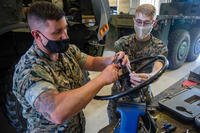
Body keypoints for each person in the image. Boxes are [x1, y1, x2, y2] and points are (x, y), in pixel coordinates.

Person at [12, 1, 129, 132]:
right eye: (57, 32)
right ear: (37, 35)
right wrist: (101, 80)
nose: (65, 36)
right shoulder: (29, 70)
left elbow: (91, 62)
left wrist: (113, 59)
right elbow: (56, 112)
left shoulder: (66, 51)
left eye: (65, 28)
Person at [107, 4, 168, 123]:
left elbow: (158, 67)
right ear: (134, 21)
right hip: (119, 96)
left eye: (146, 23)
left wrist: (150, 77)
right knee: (115, 126)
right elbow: (115, 66)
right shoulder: (122, 43)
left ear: (154, 23)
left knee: (144, 126)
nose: (141, 26)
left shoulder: (160, 47)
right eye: (139, 22)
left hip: (143, 96)